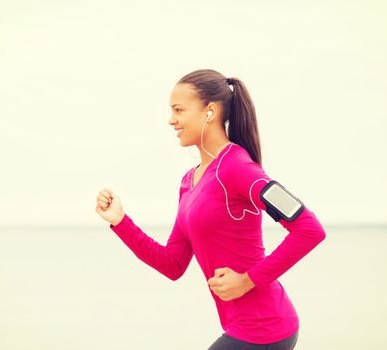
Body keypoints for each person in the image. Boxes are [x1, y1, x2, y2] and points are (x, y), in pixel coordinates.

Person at [95, 69, 326, 350]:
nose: (171, 120)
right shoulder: (188, 183)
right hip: (242, 328)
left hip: (264, 328)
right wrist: (120, 221)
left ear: (210, 111)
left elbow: (309, 229)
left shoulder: (239, 168)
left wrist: (248, 280)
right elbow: (173, 264)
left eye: (179, 110)